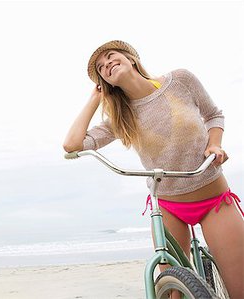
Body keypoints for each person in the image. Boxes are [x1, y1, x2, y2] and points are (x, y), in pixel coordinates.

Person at [63, 40, 244, 298]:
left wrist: (214, 145)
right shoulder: (120, 119)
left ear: (131, 59)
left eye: (112, 57)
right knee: (173, 290)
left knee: (240, 289)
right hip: (169, 206)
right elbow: (72, 144)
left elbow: (214, 114)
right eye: (101, 68)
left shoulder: (180, 80)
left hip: (214, 199)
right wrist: (95, 98)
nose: (107, 65)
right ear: (105, 82)